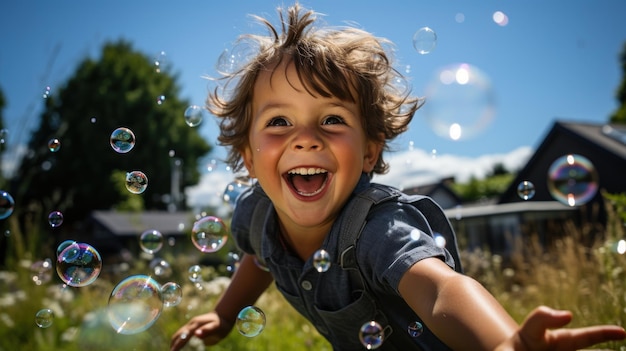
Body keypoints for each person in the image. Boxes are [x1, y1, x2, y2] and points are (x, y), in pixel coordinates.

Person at [171, 3, 626, 350]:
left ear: (369, 151)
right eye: (278, 122)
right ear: (248, 158)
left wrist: (503, 343)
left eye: (331, 119)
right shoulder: (255, 214)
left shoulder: (378, 230)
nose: (305, 138)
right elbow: (261, 258)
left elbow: (440, 290)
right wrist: (225, 314)